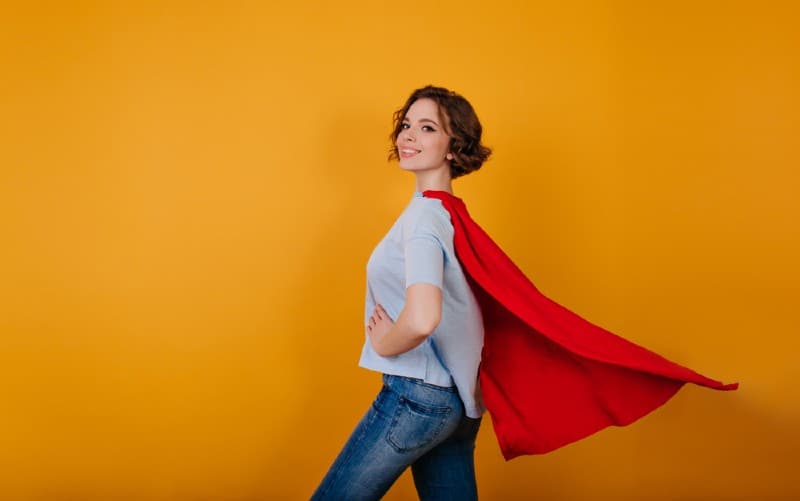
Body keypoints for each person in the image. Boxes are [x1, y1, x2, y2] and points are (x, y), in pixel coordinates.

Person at [311, 85, 491, 500]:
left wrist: (386, 343)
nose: (408, 136)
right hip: (457, 401)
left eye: (427, 128)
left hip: (417, 397)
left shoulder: (424, 219)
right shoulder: (449, 212)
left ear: (453, 146)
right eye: (406, 125)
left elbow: (424, 317)